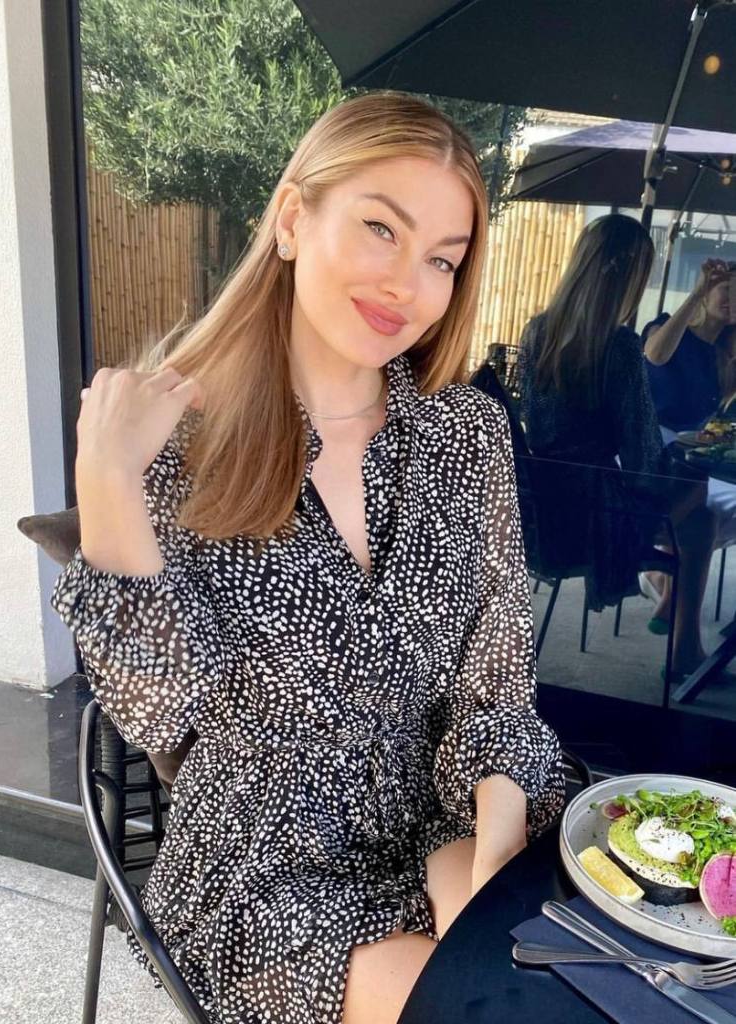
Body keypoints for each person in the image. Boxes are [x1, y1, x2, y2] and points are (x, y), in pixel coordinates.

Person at [50, 92, 565, 1024]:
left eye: (442, 259)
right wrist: (107, 475)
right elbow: (160, 712)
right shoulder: (179, 445)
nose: (408, 284)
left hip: (439, 815)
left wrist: (489, 868)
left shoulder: (466, 435)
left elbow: (494, 690)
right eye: (381, 228)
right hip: (266, 872)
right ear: (292, 218)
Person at [518, 213, 715, 680]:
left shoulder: (537, 331)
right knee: (698, 494)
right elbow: (644, 460)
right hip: (596, 513)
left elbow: (537, 423)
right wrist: (678, 460)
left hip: (543, 508)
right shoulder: (621, 346)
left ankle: (677, 625)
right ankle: (674, 621)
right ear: (630, 276)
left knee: (698, 520)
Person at [642, 258, 736, 565]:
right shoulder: (668, 327)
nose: (732, 298)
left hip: (687, 460)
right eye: (726, 288)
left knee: (706, 519)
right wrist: (696, 293)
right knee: (699, 495)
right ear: (707, 292)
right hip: (643, 450)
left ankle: (659, 574)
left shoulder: (723, 356)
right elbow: (655, 355)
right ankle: (640, 549)